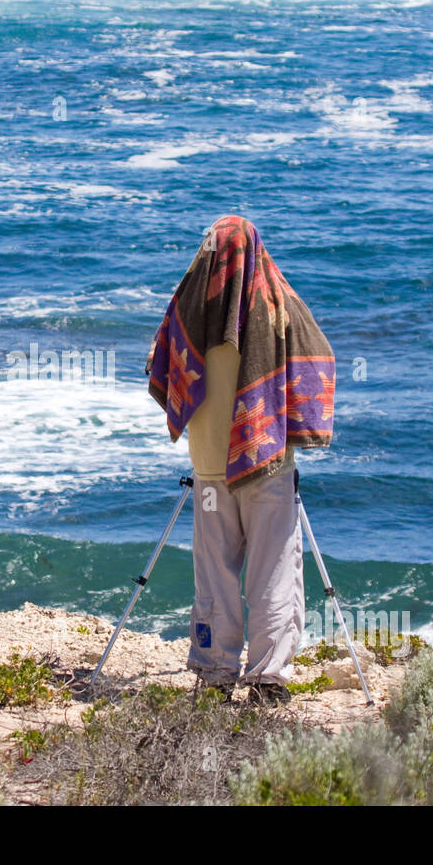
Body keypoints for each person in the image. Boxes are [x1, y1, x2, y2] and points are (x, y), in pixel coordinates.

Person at [146, 215, 335, 705]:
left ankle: (215, 671)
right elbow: (321, 358)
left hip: (209, 466)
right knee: (273, 569)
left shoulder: (188, 306)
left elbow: (160, 366)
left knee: (215, 572)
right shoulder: (278, 306)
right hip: (267, 462)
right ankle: (268, 676)